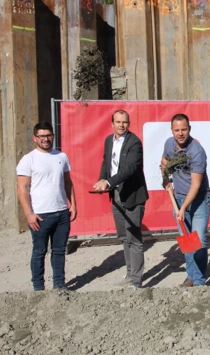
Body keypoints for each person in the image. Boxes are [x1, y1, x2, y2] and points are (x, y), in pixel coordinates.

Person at [16, 122, 77, 291]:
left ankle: (59, 286)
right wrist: (29, 214)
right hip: (40, 215)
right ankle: (39, 289)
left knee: (59, 251)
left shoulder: (61, 157)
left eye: (48, 135)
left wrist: (73, 205)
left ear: (53, 136)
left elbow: (67, 182)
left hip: (61, 213)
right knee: (39, 252)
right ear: (35, 138)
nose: (45, 139)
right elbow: (22, 189)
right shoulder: (28, 159)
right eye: (41, 136)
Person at [93, 110, 149, 290]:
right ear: (112, 124)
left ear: (129, 123)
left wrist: (108, 182)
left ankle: (136, 281)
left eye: (124, 122)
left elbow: (130, 169)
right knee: (124, 237)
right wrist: (103, 180)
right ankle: (130, 273)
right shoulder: (109, 140)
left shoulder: (135, 142)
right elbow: (106, 163)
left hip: (132, 196)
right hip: (116, 195)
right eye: (118, 122)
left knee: (134, 238)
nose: (121, 125)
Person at [161, 114, 210, 287]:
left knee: (199, 241)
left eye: (184, 129)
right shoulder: (169, 143)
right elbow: (164, 162)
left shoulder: (197, 151)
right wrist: (165, 179)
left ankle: (198, 281)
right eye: (177, 130)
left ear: (189, 129)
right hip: (179, 198)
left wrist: (182, 209)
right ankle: (191, 276)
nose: (180, 133)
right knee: (187, 241)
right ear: (172, 130)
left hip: (198, 200)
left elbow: (196, 185)